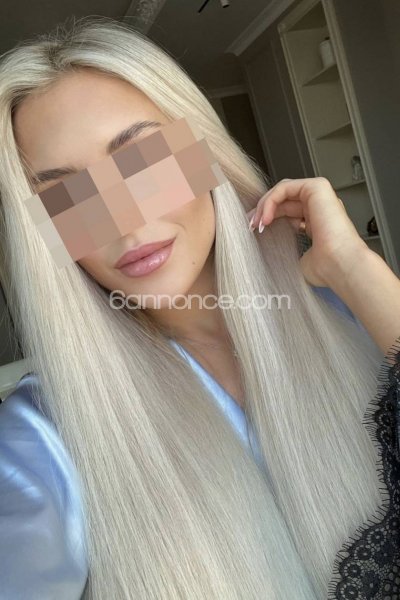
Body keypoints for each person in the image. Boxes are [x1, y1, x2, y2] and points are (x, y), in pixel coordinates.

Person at [0, 16, 399, 600]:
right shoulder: (42, 435)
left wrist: (357, 270)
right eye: (66, 195)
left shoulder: (353, 312)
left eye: (141, 160)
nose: (124, 221)